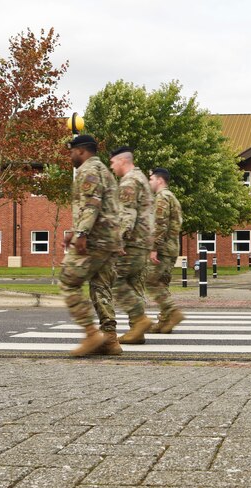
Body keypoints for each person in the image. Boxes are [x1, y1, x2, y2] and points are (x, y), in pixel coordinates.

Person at [59, 135, 122, 357]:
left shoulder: (88, 170)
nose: (70, 155)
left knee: (68, 280)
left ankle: (90, 333)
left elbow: (92, 204)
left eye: (72, 151)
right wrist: (75, 231)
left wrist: (82, 234)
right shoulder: (106, 172)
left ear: (81, 151)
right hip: (109, 242)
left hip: (94, 240)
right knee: (101, 288)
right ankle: (110, 340)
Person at [108, 147, 155, 347]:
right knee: (134, 285)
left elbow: (127, 214)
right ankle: (137, 331)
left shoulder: (129, 181)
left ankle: (140, 320)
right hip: (143, 242)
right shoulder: (142, 179)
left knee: (115, 280)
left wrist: (118, 241)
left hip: (132, 243)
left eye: (112, 163)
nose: (111, 167)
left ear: (122, 161)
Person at [146, 168, 184, 333]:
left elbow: (160, 224)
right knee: (162, 283)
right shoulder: (172, 198)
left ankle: (172, 312)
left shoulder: (162, 198)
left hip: (163, 249)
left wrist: (154, 248)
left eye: (151, 179)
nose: (149, 182)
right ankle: (164, 322)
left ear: (159, 180)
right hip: (172, 247)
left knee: (151, 281)